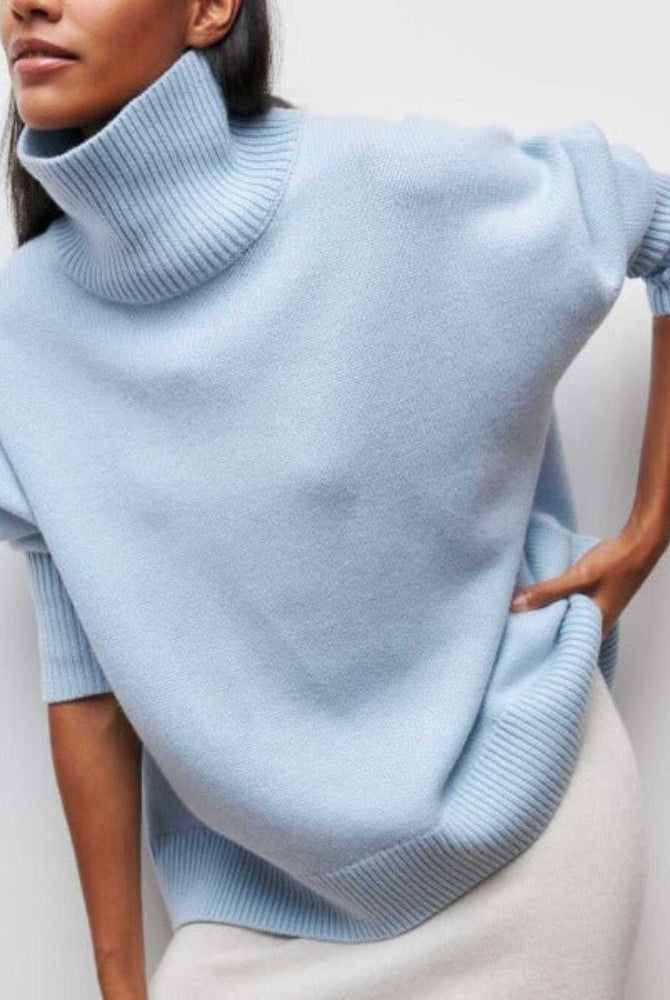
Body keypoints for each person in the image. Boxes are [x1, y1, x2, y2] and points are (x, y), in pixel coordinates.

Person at [0, 0, 664, 997]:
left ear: (209, 9)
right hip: (252, 911)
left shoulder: (387, 188)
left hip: (523, 849)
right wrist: (119, 982)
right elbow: (86, 680)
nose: (29, 3)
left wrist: (647, 530)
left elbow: (657, 220)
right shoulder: (26, 331)